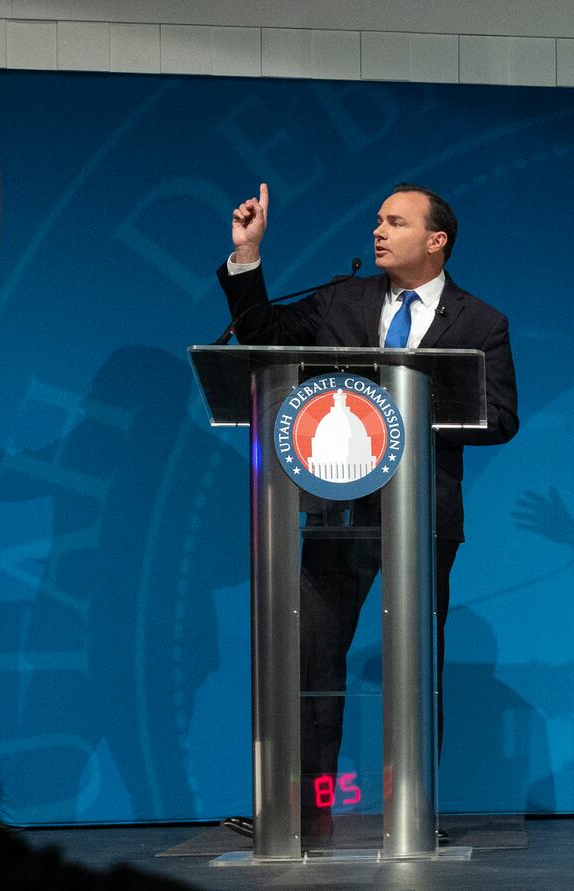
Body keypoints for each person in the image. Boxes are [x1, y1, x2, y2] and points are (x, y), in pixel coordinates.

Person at [219, 182, 519, 843]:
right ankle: (301, 812)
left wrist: (408, 407)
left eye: (396, 221)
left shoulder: (480, 321)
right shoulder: (339, 297)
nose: (378, 231)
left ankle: (416, 814)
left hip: (423, 515)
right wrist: (247, 255)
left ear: (436, 240)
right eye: (377, 218)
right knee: (311, 663)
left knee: (416, 666)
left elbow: (499, 417)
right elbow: (263, 331)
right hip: (337, 508)